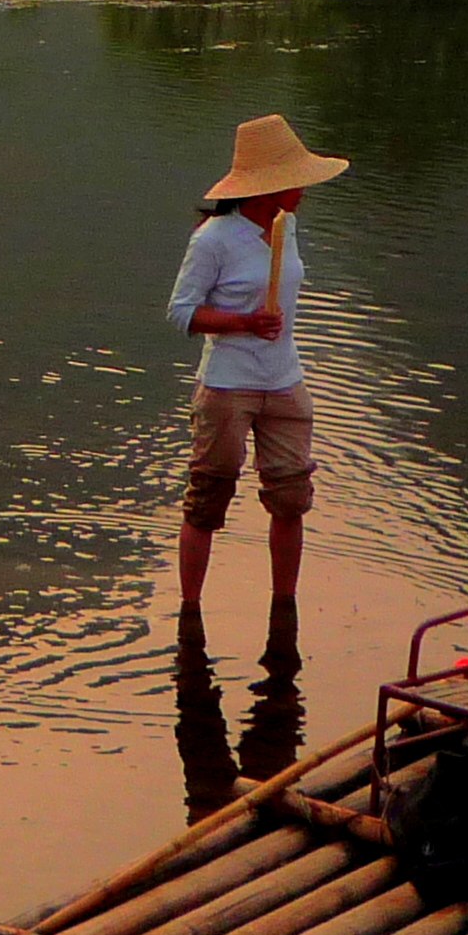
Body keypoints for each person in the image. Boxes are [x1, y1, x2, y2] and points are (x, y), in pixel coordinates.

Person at [166, 113, 348, 608]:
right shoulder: (213, 239)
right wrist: (243, 322)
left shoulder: (286, 228)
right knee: (207, 499)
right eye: (296, 182)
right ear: (271, 186)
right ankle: (190, 611)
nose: (303, 192)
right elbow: (181, 312)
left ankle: (283, 607)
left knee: (291, 499)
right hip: (229, 385)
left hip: (284, 380)